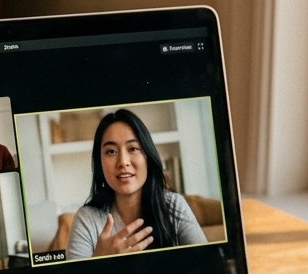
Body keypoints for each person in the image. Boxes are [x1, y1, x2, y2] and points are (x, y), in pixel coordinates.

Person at [65, 109, 207, 260]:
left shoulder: (174, 206)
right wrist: (99, 261)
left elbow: (209, 267)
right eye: (111, 151)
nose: (123, 162)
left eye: (133, 149)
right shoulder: (86, 220)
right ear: (99, 162)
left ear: (147, 156)